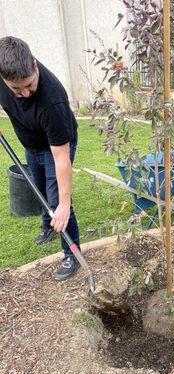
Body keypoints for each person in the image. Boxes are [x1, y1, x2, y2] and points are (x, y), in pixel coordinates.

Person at [0, 36, 81, 281]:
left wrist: (64, 205)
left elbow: (61, 159)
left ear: (34, 65)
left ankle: (72, 253)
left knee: (57, 200)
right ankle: (49, 224)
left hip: (54, 148)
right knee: (39, 191)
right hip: (30, 144)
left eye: (29, 85)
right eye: (16, 89)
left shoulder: (51, 100)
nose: (25, 94)